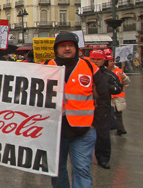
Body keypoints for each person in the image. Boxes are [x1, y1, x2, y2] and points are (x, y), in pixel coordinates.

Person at [40, 32, 109, 188]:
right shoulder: (45, 67)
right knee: (57, 171)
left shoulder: (90, 67)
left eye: (71, 45)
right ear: (56, 49)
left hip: (84, 130)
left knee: (82, 170)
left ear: (77, 48)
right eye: (63, 46)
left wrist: (96, 124)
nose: (67, 48)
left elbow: (104, 97)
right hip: (55, 131)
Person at [89, 49, 122, 169]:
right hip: (85, 108)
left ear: (104, 60)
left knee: (103, 135)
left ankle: (103, 159)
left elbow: (118, 88)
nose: (96, 61)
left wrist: (105, 87)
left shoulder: (109, 74)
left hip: (103, 109)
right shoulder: (85, 72)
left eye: (98, 59)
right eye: (93, 59)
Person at [105, 55, 130, 135]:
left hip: (118, 98)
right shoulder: (103, 71)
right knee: (109, 115)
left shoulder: (119, 70)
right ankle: (109, 128)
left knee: (118, 115)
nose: (112, 63)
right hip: (109, 98)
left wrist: (124, 78)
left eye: (113, 61)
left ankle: (120, 129)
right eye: (110, 61)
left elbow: (127, 82)